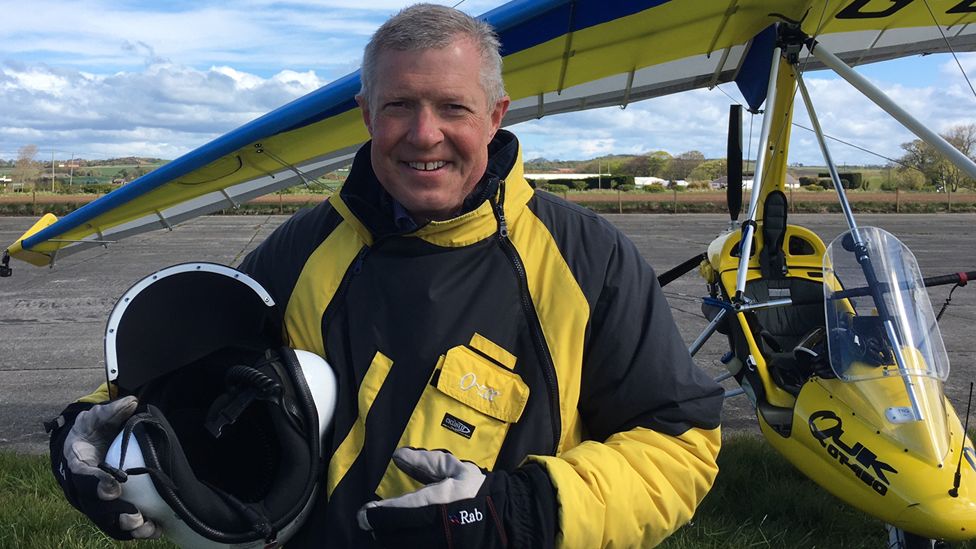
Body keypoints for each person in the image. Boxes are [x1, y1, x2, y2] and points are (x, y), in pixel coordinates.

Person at [48, 3, 723, 547]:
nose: (423, 134)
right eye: (399, 105)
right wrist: (89, 433)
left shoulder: (588, 257)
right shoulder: (302, 249)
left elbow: (680, 440)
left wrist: (526, 513)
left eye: (453, 107)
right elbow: (189, 375)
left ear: (495, 116)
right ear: (368, 115)